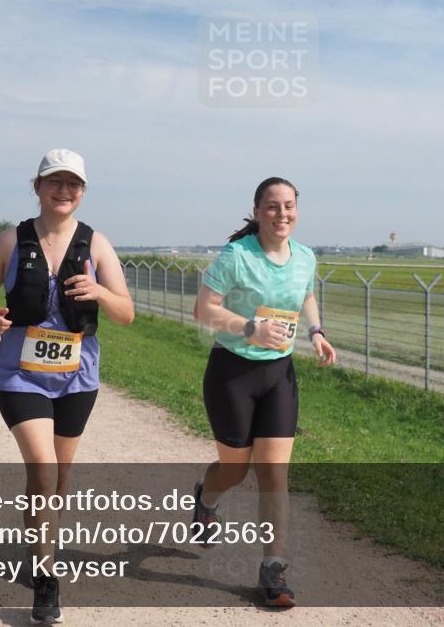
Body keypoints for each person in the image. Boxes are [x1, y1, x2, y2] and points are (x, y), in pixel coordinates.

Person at [0, 148, 134, 624]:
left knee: (57, 479)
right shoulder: (10, 240)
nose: (64, 191)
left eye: (73, 184)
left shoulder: (97, 244)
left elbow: (126, 313)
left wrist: (100, 291)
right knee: (43, 469)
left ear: (82, 191)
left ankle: (37, 544)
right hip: (19, 374)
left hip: (77, 377)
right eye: (54, 182)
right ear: (38, 186)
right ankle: (46, 577)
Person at [191, 177, 336, 608]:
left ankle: (273, 568)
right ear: (257, 212)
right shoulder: (237, 255)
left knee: (274, 473)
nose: (281, 214)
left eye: (289, 205)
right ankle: (206, 499)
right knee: (235, 471)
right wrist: (249, 327)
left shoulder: (305, 256)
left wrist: (316, 331)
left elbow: (305, 294)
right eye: (272, 206)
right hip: (232, 373)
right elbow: (203, 309)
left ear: (297, 210)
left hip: (278, 376)